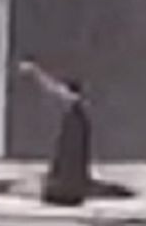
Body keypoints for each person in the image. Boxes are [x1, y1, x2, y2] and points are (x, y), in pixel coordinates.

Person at [17, 59, 91, 206]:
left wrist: (51, 185)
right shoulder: (75, 115)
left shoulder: (76, 120)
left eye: (64, 92)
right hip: (68, 187)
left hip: (65, 192)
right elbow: (52, 89)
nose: (59, 95)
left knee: (22, 191)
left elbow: (70, 161)